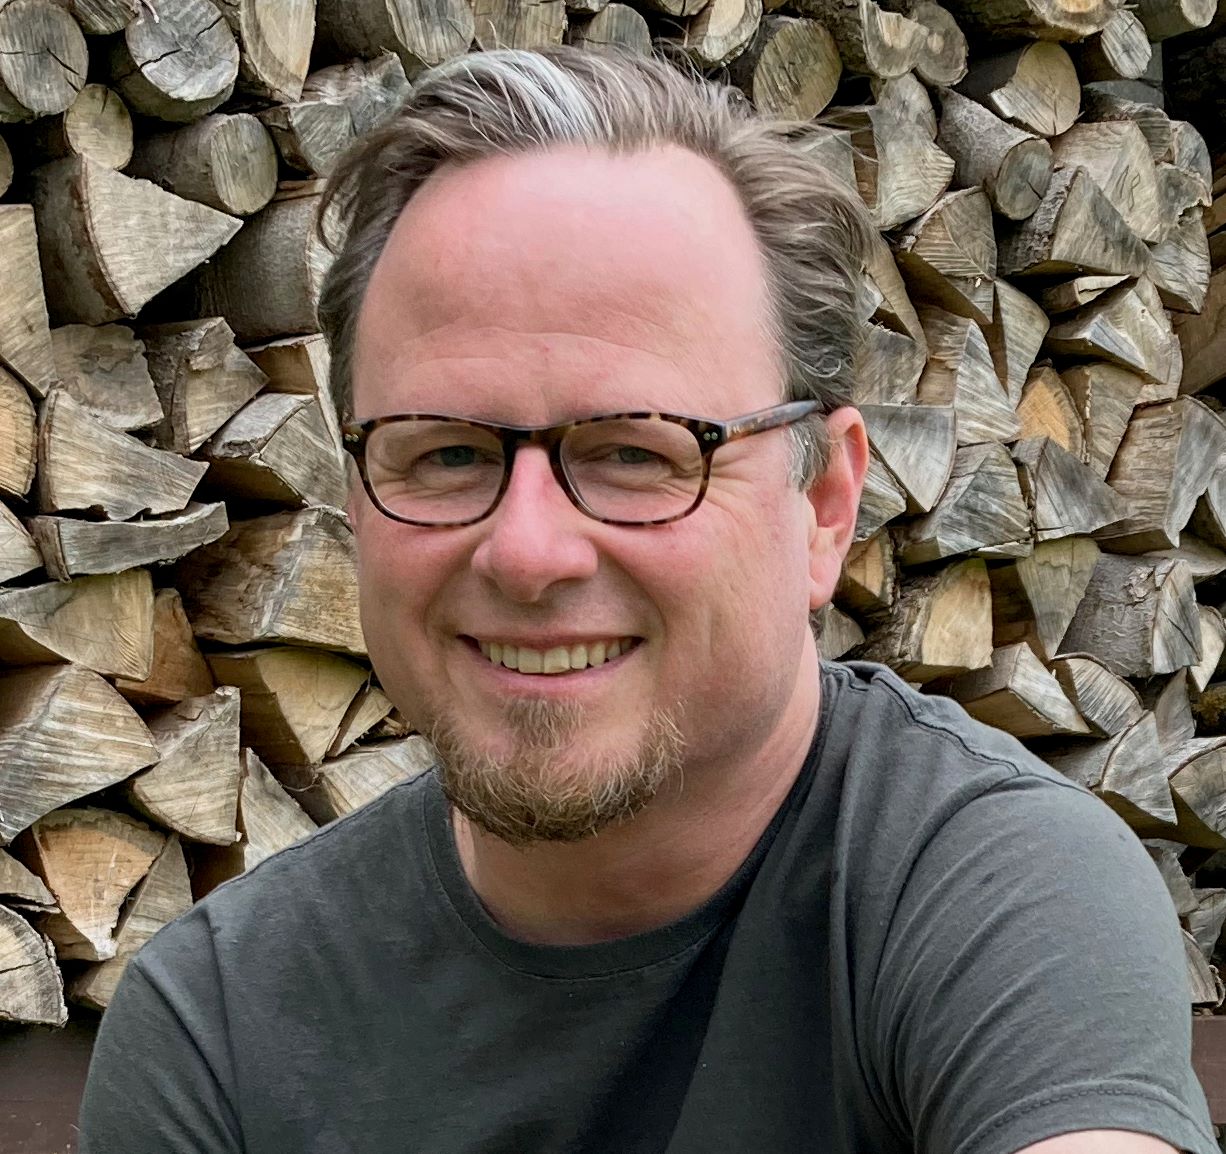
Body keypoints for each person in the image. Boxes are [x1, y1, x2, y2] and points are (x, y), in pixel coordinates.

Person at [78, 47, 1214, 1154]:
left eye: (636, 452)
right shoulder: (220, 1029)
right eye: (446, 453)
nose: (527, 552)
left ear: (822, 504)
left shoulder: (990, 889)